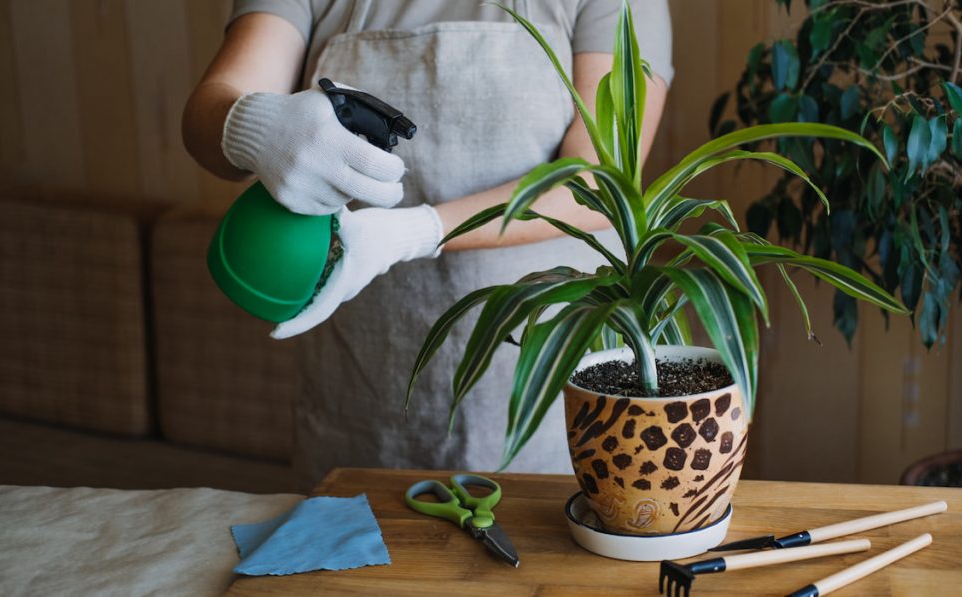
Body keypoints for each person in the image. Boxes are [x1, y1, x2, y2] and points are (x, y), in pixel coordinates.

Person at [183, 0, 673, 490]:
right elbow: (210, 108)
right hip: (360, 389)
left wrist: (416, 231)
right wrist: (251, 125)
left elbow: (598, 182)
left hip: (544, 397)